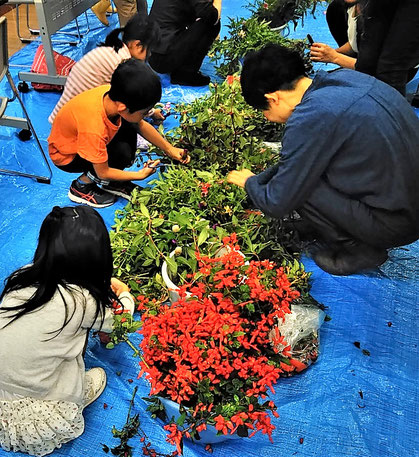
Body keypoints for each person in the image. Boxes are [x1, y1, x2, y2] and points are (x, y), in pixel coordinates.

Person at [227, 44, 419, 276]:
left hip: (396, 223)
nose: (266, 118)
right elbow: (297, 162)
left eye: (263, 111)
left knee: (303, 185)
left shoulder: (310, 116)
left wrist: (250, 183)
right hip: (405, 204)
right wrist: (266, 176)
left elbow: (277, 202)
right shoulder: (346, 79)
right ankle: (346, 225)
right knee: (303, 172)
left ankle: (358, 248)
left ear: (273, 98)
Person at [0, 205, 135, 456]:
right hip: (41, 411)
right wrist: (125, 294)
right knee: (88, 374)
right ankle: (74, 399)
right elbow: (119, 324)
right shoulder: (83, 301)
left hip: (2, 394)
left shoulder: (22, 277)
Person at [48, 59, 187, 208]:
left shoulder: (113, 95)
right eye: (144, 112)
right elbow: (103, 172)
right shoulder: (94, 127)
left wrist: (169, 149)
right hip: (67, 155)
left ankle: (113, 182)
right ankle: (81, 186)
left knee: (130, 128)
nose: (146, 115)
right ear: (123, 108)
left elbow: (139, 124)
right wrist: (138, 175)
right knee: (122, 153)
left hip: (84, 139)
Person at [148, 0, 222, 86]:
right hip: (163, 57)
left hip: (151, 51)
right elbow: (212, 16)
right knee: (212, 25)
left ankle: (179, 67)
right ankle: (185, 74)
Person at [310, 0, 360, 69]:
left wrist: (334, 57)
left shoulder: (373, 15)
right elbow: (354, 45)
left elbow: (369, 68)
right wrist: (327, 54)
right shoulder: (349, 8)